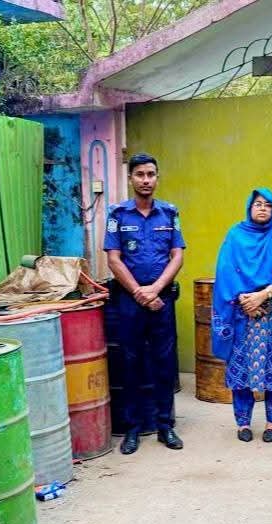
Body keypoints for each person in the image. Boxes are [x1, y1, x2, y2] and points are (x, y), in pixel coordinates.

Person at [103, 153, 185, 455]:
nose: (146, 180)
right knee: (131, 363)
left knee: (164, 362)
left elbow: (177, 255)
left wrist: (155, 290)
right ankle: (133, 429)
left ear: (157, 178)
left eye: (151, 174)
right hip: (129, 301)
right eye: (140, 174)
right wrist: (139, 292)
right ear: (131, 178)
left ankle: (165, 426)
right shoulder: (117, 215)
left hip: (162, 301)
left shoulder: (170, 213)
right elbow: (114, 259)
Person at [212, 188, 272, 443]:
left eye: (268, 205)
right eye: (258, 204)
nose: (262, 208)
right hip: (242, 311)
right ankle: (243, 423)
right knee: (240, 365)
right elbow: (226, 270)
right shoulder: (235, 235)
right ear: (249, 207)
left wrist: (263, 295)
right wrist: (245, 300)